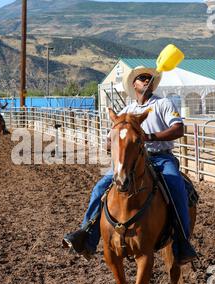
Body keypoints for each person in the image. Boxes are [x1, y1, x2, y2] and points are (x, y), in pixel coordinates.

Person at [62, 66, 198, 265]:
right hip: (131, 161)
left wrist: (148, 137)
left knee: (176, 184)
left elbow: (178, 129)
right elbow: (110, 139)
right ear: (134, 84)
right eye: (142, 78)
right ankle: (87, 235)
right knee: (100, 186)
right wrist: (114, 142)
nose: (146, 80)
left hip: (161, 157)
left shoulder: (163, 104)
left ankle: (181, 242)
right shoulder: (127, 110)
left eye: (149, 78)